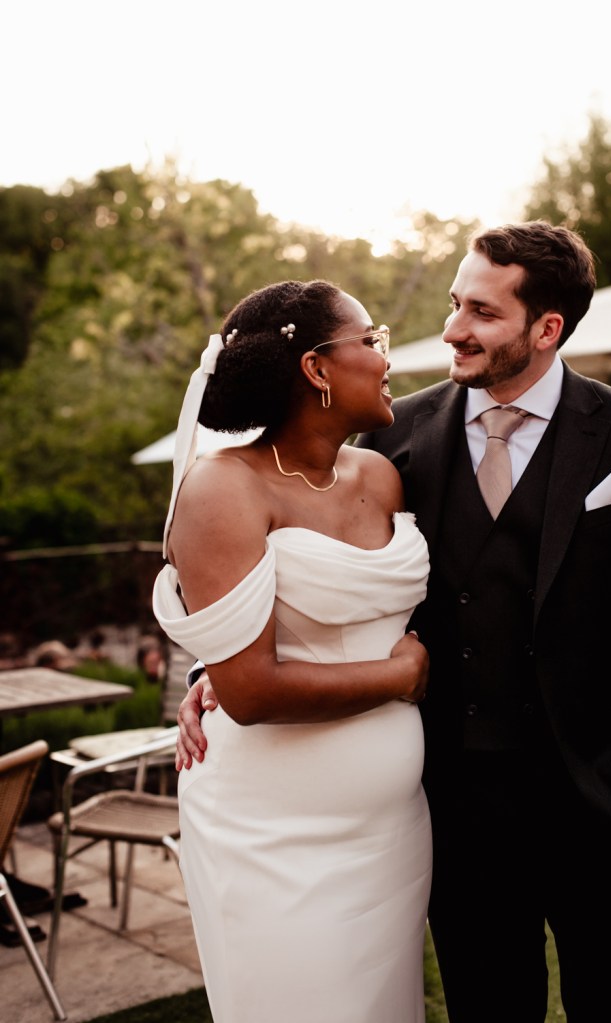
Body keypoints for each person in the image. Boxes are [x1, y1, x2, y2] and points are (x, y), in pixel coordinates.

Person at [178, 223, 611, 1022]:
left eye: (480, 312)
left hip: (610, 806)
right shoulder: (389, 436)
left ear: (545, 328)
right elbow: (324, 567)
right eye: (453, 303)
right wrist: (216, 670)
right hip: (455, 806)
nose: (451, 328)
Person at [152, 280, 432, 1023]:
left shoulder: (380, 476)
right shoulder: (222, 488)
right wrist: (400, 675)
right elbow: (249, 692)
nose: (384, 357)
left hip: (390, 829)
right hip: (272, 833)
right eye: (369, 341)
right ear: (315, 367)